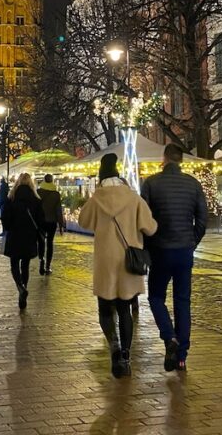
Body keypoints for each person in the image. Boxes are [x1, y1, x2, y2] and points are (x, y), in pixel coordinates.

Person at [78, 153, 157, 379]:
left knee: (105, 309)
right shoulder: (134, 199)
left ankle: (113, 346)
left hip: (105, 261)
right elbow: (150, 228)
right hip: (128, 262)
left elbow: (84, 222)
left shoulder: (96, 199)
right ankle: (126, 355)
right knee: (125, 310)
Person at [141, 143, 208, 373]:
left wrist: (148, 245)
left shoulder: (151, 183)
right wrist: (192, 241)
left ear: (165, 158)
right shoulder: (193, 184)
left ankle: (169, 337)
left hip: (160, 250)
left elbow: (145, 220)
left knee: (156, 297)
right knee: (182, 301)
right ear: (181, 160)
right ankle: (181, 356)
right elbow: (202, 219)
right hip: (184, 251)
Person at [1, 172, 43, 311]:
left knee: (14, 264)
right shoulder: (36, 199)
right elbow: (40, 219)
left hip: (14, 235)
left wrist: (8, 228)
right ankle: (23, 289)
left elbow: (5, 217)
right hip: (29, 236)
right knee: (25, 265)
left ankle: (20, 287)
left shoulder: (11, 198)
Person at [37, 173, 65, 275]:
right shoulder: (56, 194)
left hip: (40, 221)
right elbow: (58, 211)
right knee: (50, 243)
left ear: (44, 180)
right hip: (52, 222)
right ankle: (48, 266)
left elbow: (36, 208)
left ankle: (41, 261)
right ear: (52, 180)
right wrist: (61, 225)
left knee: (41, 242)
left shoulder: (38, 192)